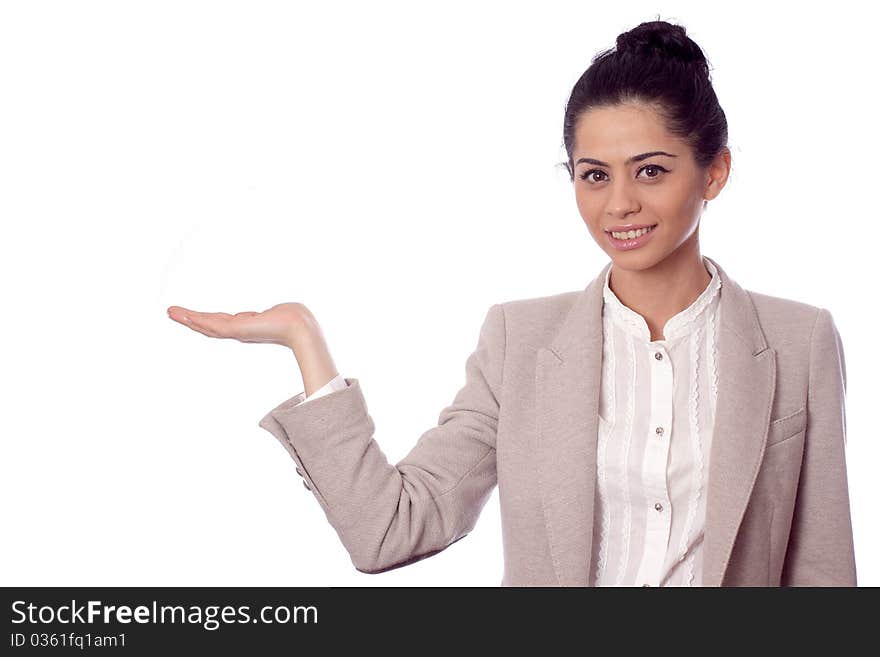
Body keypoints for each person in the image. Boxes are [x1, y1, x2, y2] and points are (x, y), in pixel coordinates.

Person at [167, 19, 856, 586]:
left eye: (650, 170)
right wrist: (304, 340)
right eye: (594, 175)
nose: (619, 203)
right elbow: (389, 530)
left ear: (715, 171)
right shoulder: (519, 341)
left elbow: (823, 575)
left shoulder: (799, 342)